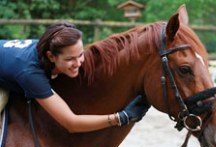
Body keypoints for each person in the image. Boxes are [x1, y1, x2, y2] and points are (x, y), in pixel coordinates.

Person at [0, 21, 150, 132]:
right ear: (51, 56)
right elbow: (71, 123)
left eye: (80, 55)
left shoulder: (49, 49)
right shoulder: (31, 73)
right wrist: (121, 117)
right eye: (70, 59)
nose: (78, 63)